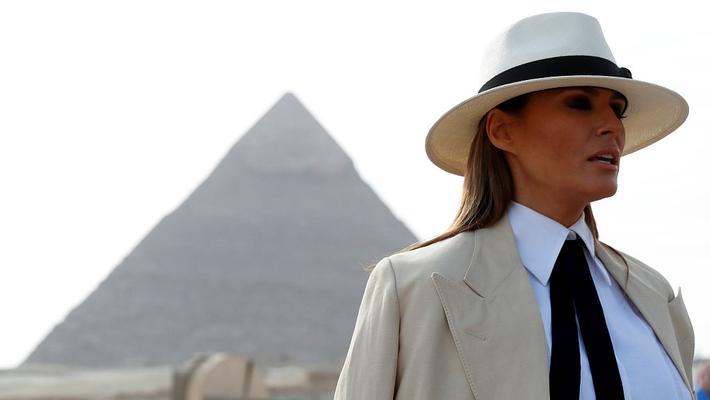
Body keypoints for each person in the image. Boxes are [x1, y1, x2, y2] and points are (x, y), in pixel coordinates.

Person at [334, 12, 695, 400]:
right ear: (502, 130)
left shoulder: (654, 294)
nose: (613, 126)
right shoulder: (414, 289)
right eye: (579, 103)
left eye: (617, 108)